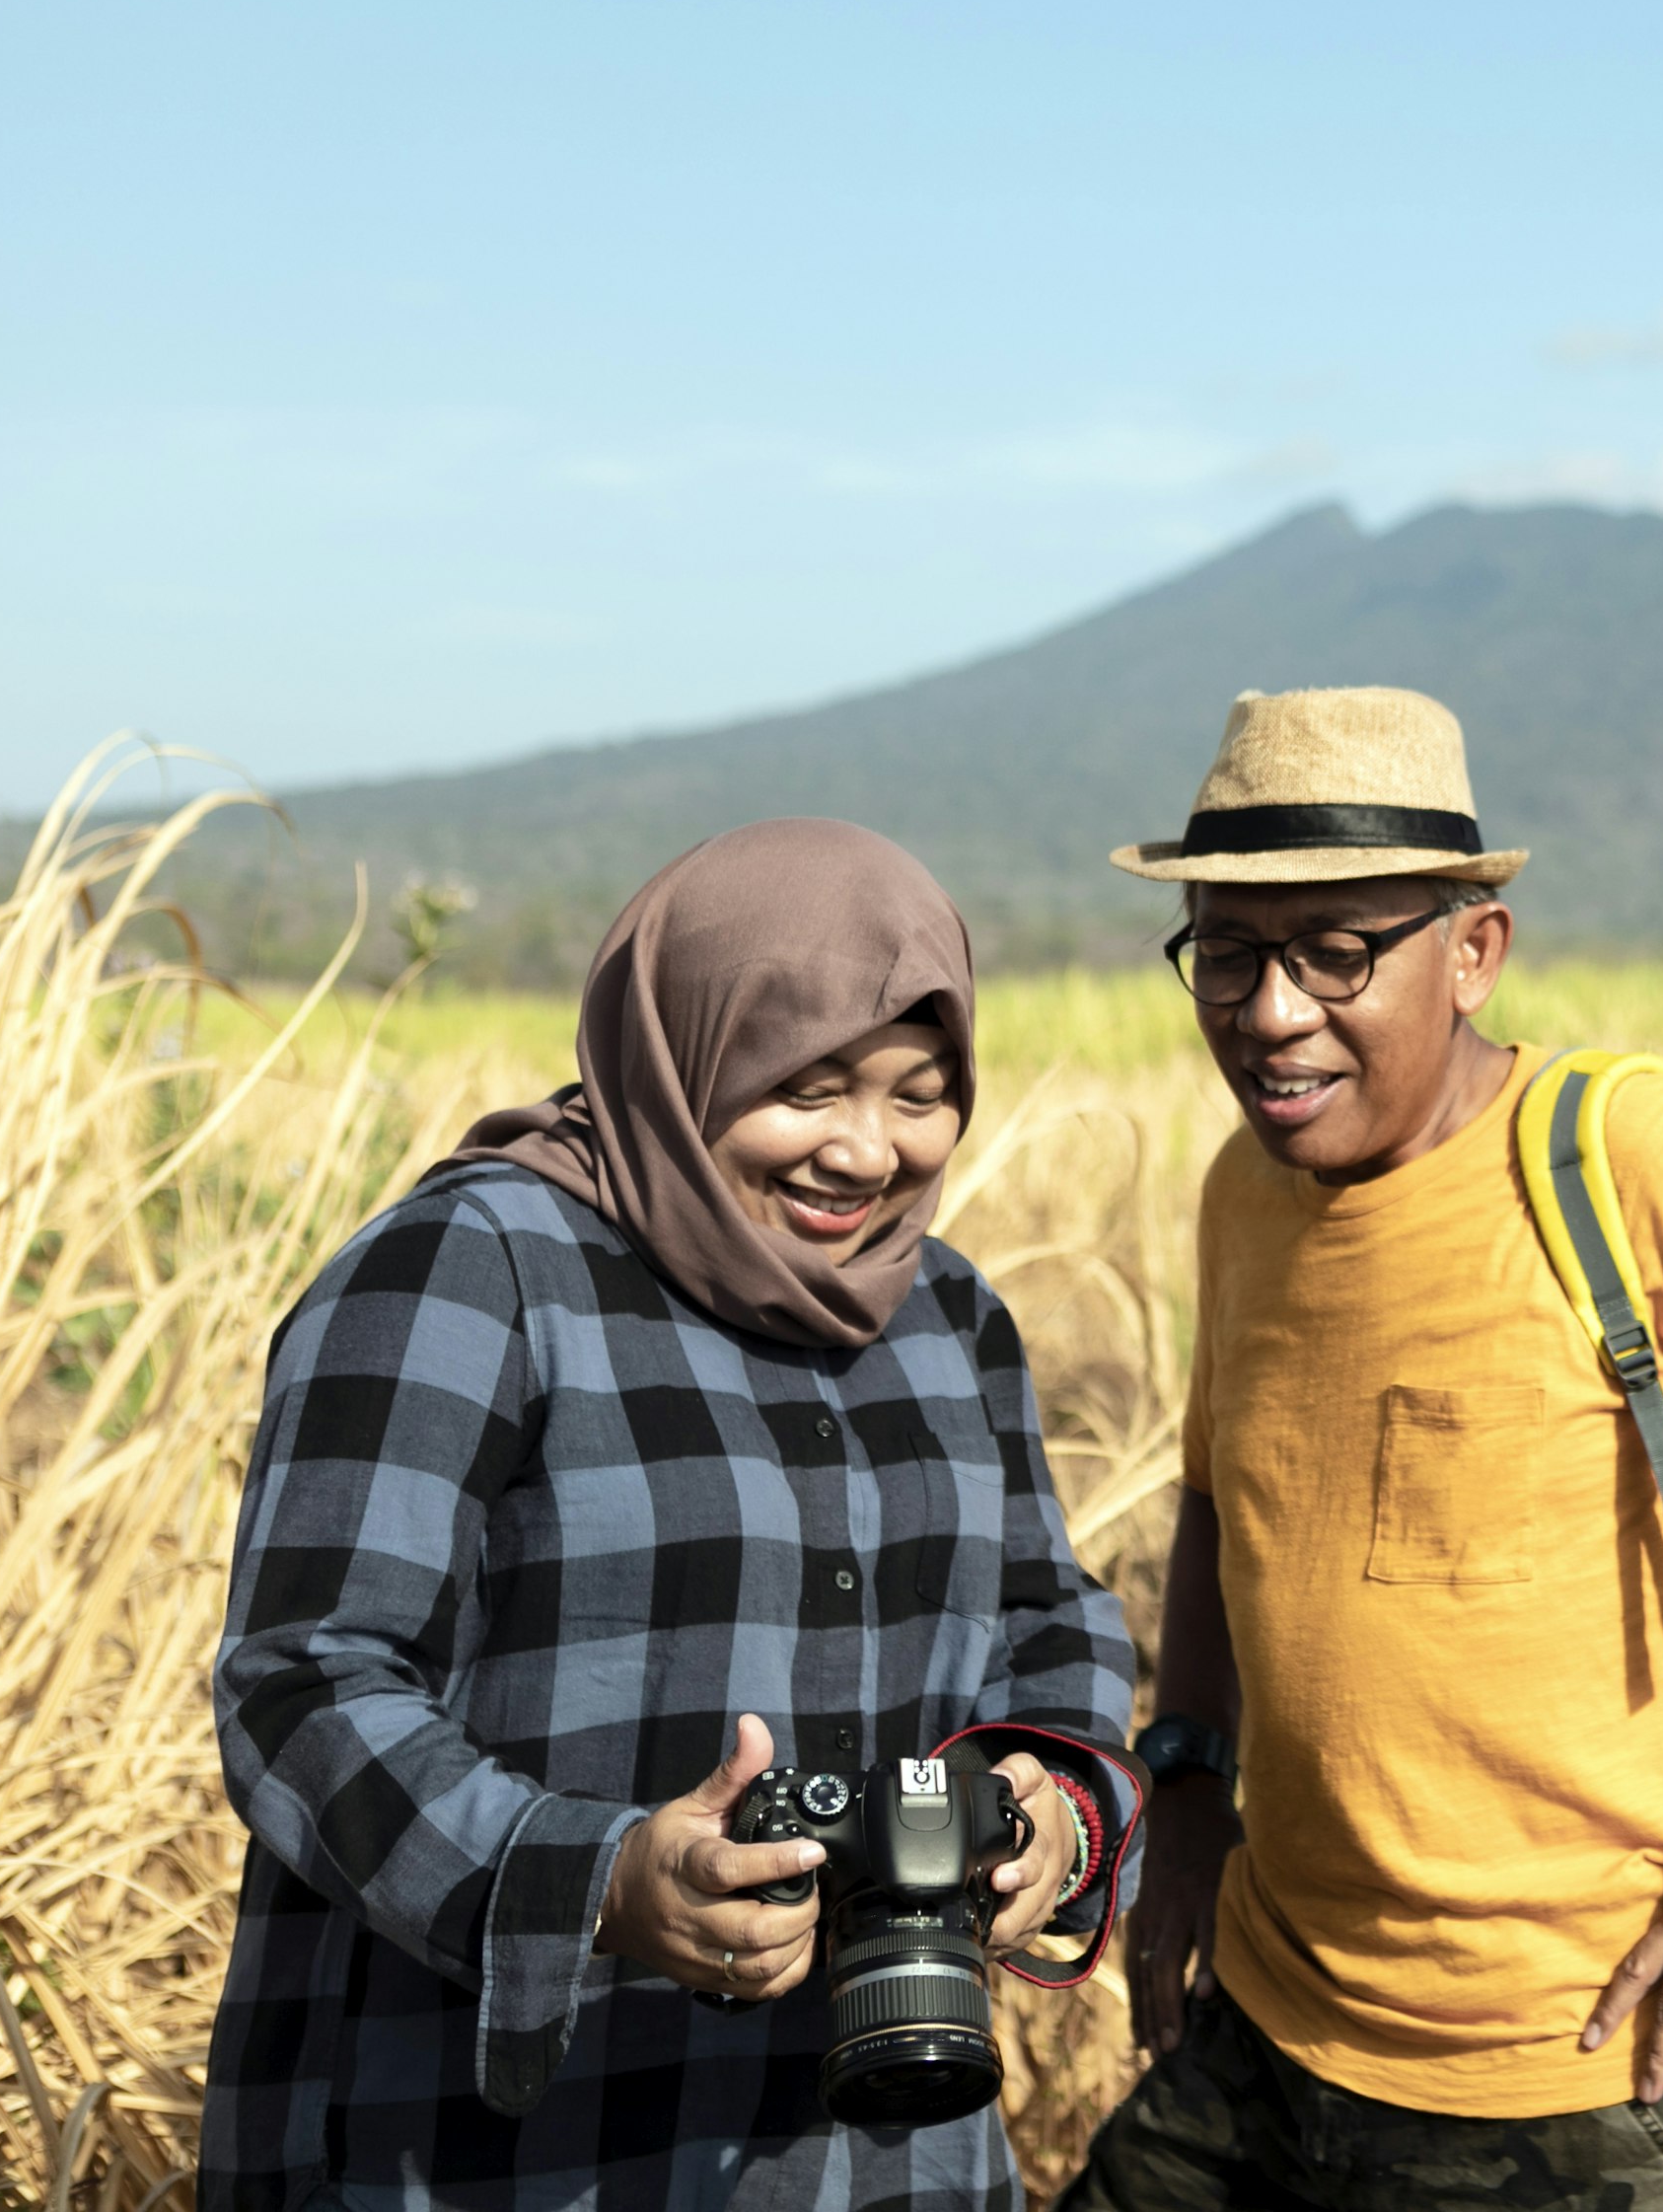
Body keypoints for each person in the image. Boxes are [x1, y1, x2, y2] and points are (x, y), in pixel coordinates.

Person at [1055, 687, 1663, 2212]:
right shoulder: (1241, 1192)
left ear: (1474, 953)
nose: (1269, 1013)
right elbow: (1215, 1494)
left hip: (1582, 2068)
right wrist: (1185, 1779)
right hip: (1264, 2018)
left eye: (1337, 951)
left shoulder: (1616, 1162)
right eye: (1231, 950)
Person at [203, 820, 1139, 2212]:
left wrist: (1056, 1808)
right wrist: (597, 1883)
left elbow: (1043, 1618)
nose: (866, 1152)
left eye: (920, 1093)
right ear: (684, 1048)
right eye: (806, 1088)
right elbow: (304, 1680)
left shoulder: (951, 1317)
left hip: (874, 2157)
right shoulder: (471, 1271)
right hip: (492, 2147)